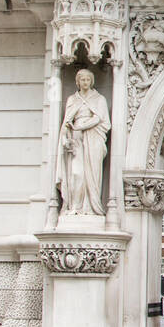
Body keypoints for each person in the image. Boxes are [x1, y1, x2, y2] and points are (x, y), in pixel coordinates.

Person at [57, 68, 111, 216]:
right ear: (78, 82)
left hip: (94, 139)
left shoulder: (99, 99)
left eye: (88, 79)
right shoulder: (72, 100)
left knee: (91, 174)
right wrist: (65, 139)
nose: (85, 82)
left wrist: (83, 125)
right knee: (76, 173)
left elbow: (103, 120)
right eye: (82, 79)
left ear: (91, 81)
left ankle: (91, 207)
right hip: (76, 140)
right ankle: (74, 206)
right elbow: (66, 123)